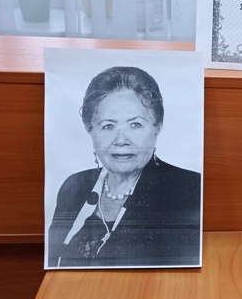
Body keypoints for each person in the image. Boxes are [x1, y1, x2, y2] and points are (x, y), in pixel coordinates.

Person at [48, 66, 201, 267]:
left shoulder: (189, 189)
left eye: (135, 124)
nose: (121, 140)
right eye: (108, 126)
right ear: (90, 129)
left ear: (157, 127)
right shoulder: (74, 186)